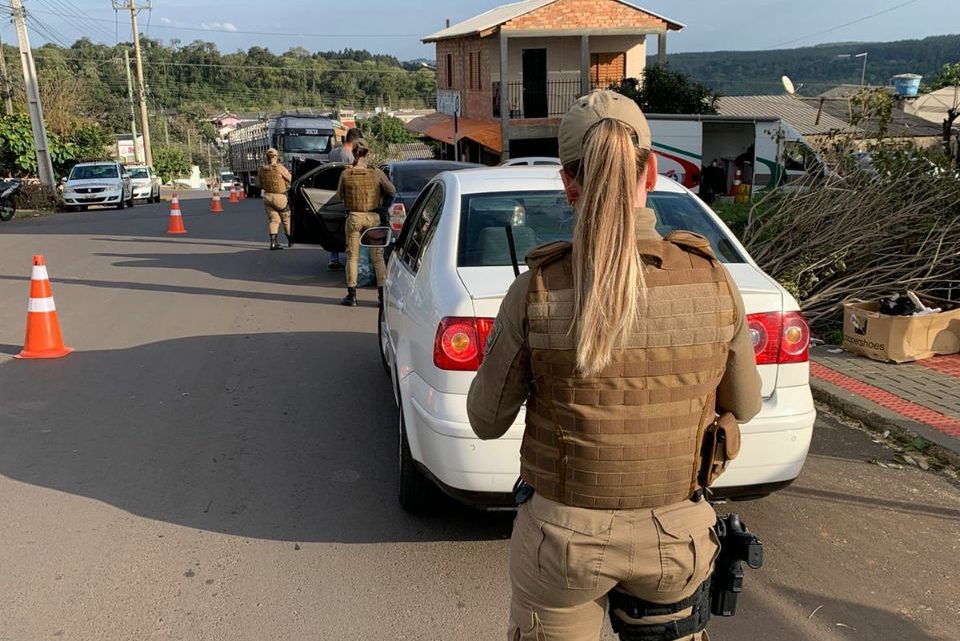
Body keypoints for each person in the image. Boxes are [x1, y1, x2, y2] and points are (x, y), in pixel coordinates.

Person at [466, 91, 763, 641]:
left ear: (568, 182)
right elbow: (743, 405)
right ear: (650, 169)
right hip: (675, 541)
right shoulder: (714, 281)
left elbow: (486, 420)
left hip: (562, 544)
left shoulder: (536, 292)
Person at [335, 138, 395, 307]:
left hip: (354, 217)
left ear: (353, 153)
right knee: (377, 258)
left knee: (352, 257)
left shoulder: (346, 173)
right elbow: (392, 190)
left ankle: (352, 296)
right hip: (373, 218)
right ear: (367, 153)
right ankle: (381, 297)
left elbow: (339, 195)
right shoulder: (376, 173)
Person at [326, 127, 363, 271]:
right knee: (349, 228)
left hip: (332, 194)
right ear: (355, 141)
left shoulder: (333, 153)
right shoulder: (351, 157)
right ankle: (351, 258)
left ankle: (333, 257)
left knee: (335, 226)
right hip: (348, 196)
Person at [258, 148, 293, 250]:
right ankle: (290, 240)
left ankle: (273, 243)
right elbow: (291, 179)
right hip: (280, 198)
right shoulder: (280, 168)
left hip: (267, 197)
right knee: (286, 219)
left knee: (274, 220)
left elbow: (258, 184)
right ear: (276, 157)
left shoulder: (262, 169)